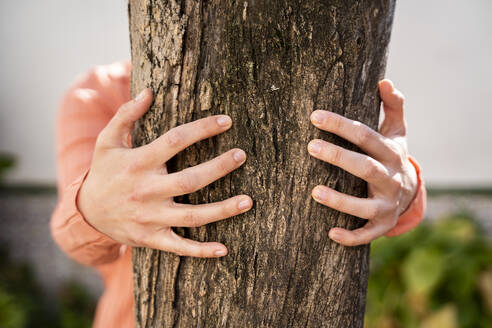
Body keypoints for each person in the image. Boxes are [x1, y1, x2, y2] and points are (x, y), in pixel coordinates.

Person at [50, 60, 426, 327]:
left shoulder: (331, 74)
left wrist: (401, 184)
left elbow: (401, 211)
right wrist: (94, 206)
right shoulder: (98, 94)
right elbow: (76, 241)